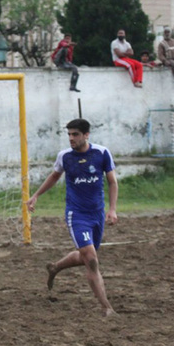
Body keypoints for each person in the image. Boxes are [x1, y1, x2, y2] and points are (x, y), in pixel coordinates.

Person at [26, 119, 118, 317]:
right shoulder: (65, 156)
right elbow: (54, 176)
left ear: (86, 135)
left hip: (97, 214)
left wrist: (112, 209)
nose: (71, 138)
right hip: (76, 214)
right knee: (92, 259)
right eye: (69, 134)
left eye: (75, 134)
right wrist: (36, 195)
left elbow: (112, 182)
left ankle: (55, 267)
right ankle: (106, 307)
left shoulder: (101, 153)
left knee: (86, 255)